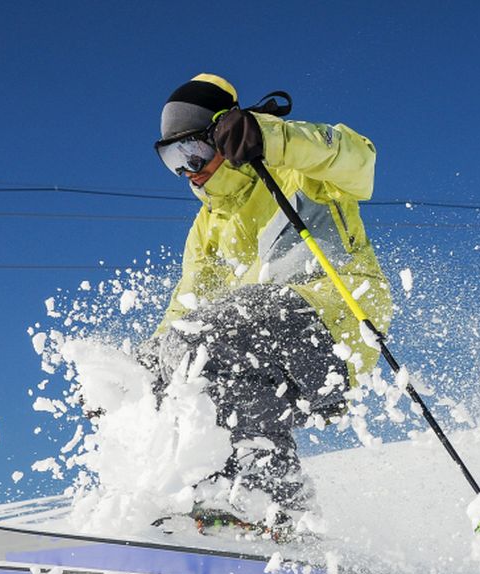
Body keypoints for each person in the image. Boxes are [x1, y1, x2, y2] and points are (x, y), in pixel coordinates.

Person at [143, 73, 393, 534]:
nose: (187, 170)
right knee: (176, 369)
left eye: (192, 152)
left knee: (215, 333)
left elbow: (360, 158)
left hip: (339, 319)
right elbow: (188, 304)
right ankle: (255, 508)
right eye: (171, 159)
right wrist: (145, 365)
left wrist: (269, 138)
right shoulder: (208, 224)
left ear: (223, 132)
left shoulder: (292, 165)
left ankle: (267, 494)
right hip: (263, 346)